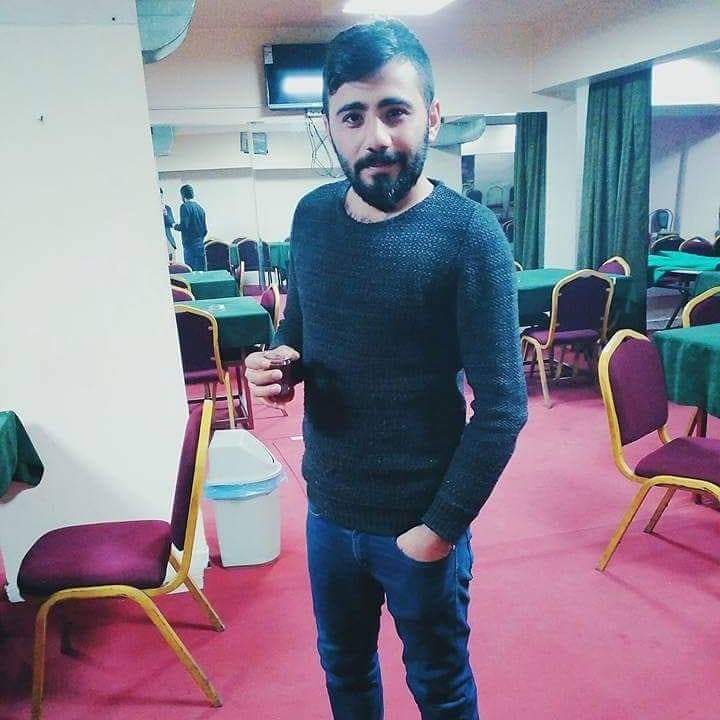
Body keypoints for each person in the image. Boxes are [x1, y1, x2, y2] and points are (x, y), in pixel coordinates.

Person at [245, 19, 527, 720]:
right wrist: (280, 365)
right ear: (330, 126)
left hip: (420, 523)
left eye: (394, 111)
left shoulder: (469, 237)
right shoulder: (311, 218)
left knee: (440, 687)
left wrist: (439, 531)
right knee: (344, 672)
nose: (376, 136)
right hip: (327, 512)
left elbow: (503, 408)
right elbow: (299, 332)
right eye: (353, 116)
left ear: (432, 115)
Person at [173, 184, 207, 270]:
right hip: (200, 245)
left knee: (191, 271)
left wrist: (174, 225)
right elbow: (205, 230)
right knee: (201, 271)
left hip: (190, 247)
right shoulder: (200, 208)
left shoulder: (184, 207)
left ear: (182, 195)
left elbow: (184, 226)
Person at [160, 188, 177, 261]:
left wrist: (165, 214)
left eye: (160, 196)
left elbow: (171, 223)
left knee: (172, 263)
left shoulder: (167, 208)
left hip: (168, 240)